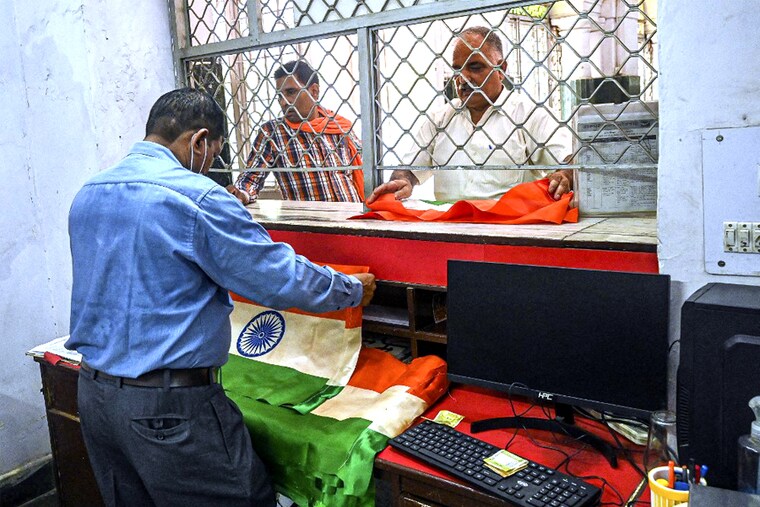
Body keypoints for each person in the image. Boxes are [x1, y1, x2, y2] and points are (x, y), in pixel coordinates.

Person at [66, 88, 376, 507]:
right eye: (211, 153)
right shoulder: (197, 199)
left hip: (96, 396)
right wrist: (352, 289)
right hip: (169, 411)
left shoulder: (90, 192)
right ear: (199, 141)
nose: (208, 166)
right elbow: (277, 278)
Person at [367, 26, 573, 204]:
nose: (463, 78)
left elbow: (568, 161)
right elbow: (409, 171)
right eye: (457, 70)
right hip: (450, 232)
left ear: (501, 70)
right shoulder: (439, 119)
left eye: (475, 67)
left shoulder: (529, 115)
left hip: (508, 231)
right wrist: (403, 180)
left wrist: (565, 174)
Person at [228, 60, 364, 204]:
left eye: (291, 92)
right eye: (280, 96)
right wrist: (240, 194)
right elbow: (250, 178)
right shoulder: (273, 133)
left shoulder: (338, 126)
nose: (283, 102)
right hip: (313, 223)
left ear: (314, 91)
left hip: (352, 216)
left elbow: (364, 165)